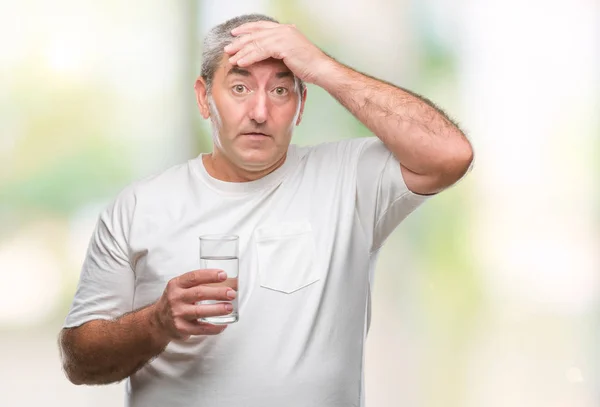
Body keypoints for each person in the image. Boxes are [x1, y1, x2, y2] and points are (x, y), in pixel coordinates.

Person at [58, 13, 473, 407]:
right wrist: (157, 322)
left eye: (280, 90)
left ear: (301, 104)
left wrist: (321, 66)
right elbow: (79, 362)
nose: (260, 112)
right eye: (240, 88)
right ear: (204, 99)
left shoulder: (350, 180)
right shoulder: (139, 207)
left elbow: (451, 154)